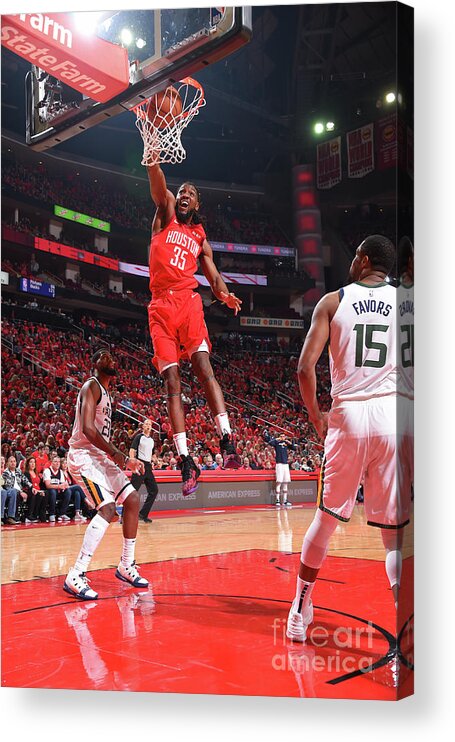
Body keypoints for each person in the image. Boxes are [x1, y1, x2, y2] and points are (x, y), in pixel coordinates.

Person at [286, 235, 404, 643]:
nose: (351, 260)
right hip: (392, 416)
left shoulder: (333, 302)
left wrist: (318, 416)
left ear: (365, 259)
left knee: (326, 520)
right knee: (393, 534)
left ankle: (299, 610)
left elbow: (305, 369)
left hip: (349, 415)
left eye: (354, 254)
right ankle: (408, 625)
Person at [145, 162, 242, 496]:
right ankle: (186, 460)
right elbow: (158, 187)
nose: (184, 195)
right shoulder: (165, 214)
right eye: (182, 191)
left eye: (191, 193)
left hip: (188, 303)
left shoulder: (200, 237)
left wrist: (224, 294)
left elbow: (213, 275)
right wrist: (153, 159)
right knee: (171, 382)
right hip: (160, 306)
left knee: (203, 367)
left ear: (197, 204)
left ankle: (227, 439)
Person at [63, 349, 148, 600]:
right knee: (108, 507)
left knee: (132, 500)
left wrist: (121, 458)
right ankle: (76, 574)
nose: (110, 357)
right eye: (102, 356)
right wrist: (119, 455)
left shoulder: (108, 393)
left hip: (99, 457)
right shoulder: (92, 386)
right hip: (82, 455)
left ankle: (126, 564)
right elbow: (88, 429)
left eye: (112, 356)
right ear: (95, 365)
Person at [128, 419, 159, 524]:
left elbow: (152, 454)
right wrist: (132, 462)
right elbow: (132, 450)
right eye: (146, 424)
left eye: (150, 424)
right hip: (140, 464)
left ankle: (143, 514)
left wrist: (157, 461)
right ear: (143, 426)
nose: (148, 425)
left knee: (154, 490)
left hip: (148, 466)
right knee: (132, 491)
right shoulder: (139, 437)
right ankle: (125, 516)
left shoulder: (151, 440)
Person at [263, 430, 295, 508]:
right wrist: (277, 439)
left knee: (285, 482)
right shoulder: (276, 443)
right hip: (279, 464)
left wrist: (289, 441)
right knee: (279, 481)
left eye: (283, 436)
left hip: (285, 464)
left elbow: (294, 448)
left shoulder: (286, 443)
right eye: (281, 436)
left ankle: (285, 500)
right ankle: (277, 500)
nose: (282, 437)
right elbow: (270, 442)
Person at [43, 453, 74, 522]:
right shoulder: (47, 471)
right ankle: (52, 514)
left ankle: (62, 513)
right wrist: (59, 486)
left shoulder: (60, 472)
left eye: (59, 462)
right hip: (48, 492)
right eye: (55, 462)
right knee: (52, 491)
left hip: (58, 491)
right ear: (51, 463)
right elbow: (48, 485)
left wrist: (64, 486)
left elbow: (62, 483)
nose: (57, 463)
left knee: (68, 491)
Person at [2, 455, 29, 523]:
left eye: (14, 461)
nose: (13, 463)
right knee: (14, 492)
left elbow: (25, 480)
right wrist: (20, 492)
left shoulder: (18, 471)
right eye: (11, 461)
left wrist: (32, 488)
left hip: (20, 490)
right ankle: (12, 517)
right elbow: (8, 486)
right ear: (7, 463)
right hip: (10, 490)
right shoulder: (6, 472)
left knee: (33, 493)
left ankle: (30, 516)